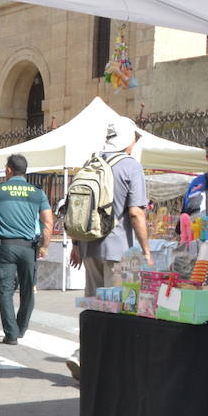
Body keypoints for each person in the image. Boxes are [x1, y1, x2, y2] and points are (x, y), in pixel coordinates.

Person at [67, 116, 151, 380]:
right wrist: (146, 250)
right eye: (135, 139)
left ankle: (86, 357)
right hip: (120, 253)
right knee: (119, 310)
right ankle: (114, 369)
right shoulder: (130, 167)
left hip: (90, 247)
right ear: (129, 141)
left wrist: (76, 244)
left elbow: (77, 207)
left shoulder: (92, 162)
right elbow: (136, 213)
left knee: (94, 307)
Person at [0, 154, 53, 345]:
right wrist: (44, 246)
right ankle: (21, 328)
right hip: (29, 248)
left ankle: (11, 334)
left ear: (9, 170)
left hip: (6, 247)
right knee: (28, 289)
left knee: (5, 290)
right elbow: (48, 222)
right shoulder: (38, 193)